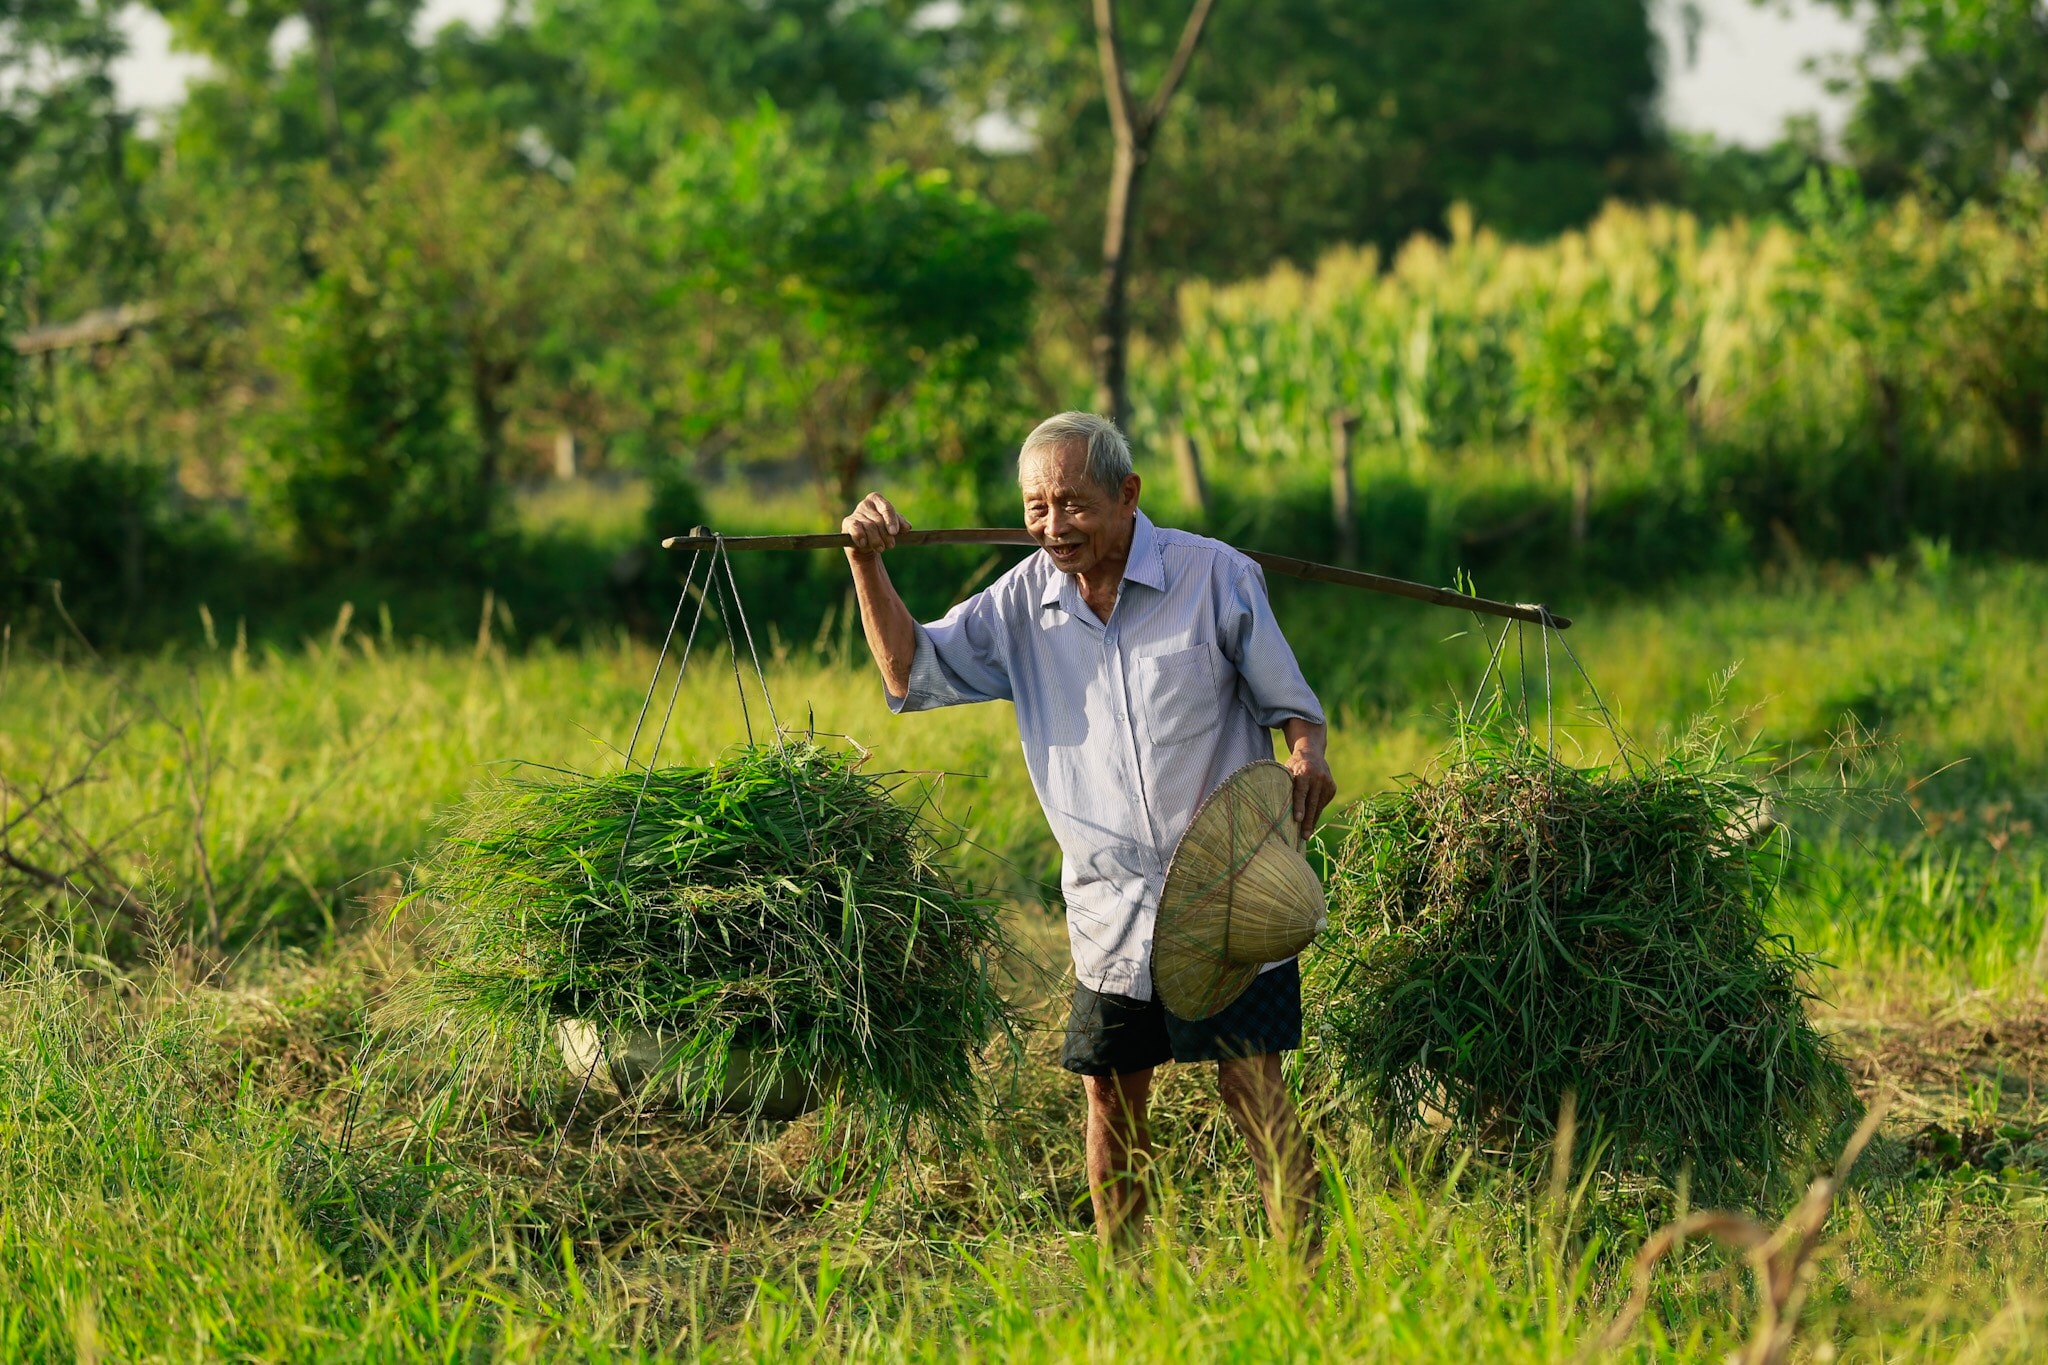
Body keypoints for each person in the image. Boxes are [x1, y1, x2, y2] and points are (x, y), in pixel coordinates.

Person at [841, 410, 1336, 1249]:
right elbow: (908, 671)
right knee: (1109, 1092)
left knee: (1250, 1083)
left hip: (1229, 892)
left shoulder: (1212, 577)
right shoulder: (1018, 604)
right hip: (1112, 911)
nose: (1053, 527)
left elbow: (1293, 707)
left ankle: (1308, 1276)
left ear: (1128, 495)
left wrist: (1306, 756)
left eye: (1072, 503)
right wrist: (865, 562)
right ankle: (1126, 1284)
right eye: (1036, 507)